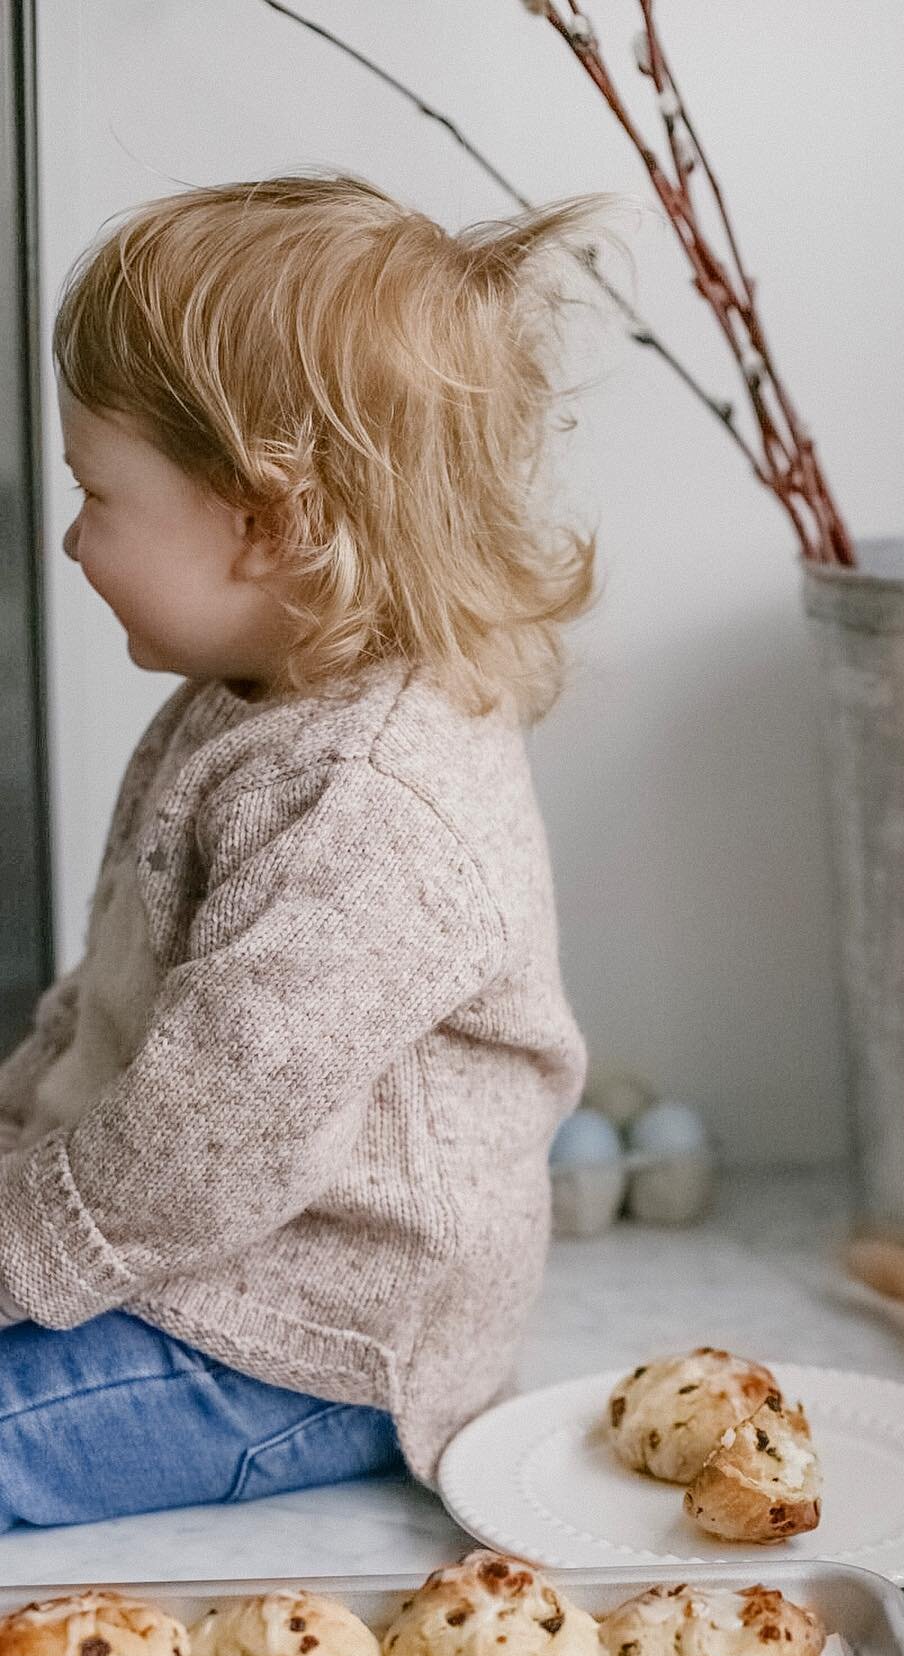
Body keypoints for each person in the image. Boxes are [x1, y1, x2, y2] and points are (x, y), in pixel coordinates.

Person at [0, 172, 613, 1528]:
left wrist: (11, 1250)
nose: (70, 537)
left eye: (97, 492)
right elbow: (125, 991)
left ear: (268, 520)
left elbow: (198, 1150)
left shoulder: (370, 806)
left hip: (299, 1342)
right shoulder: (244, 702)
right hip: (191, 1249)